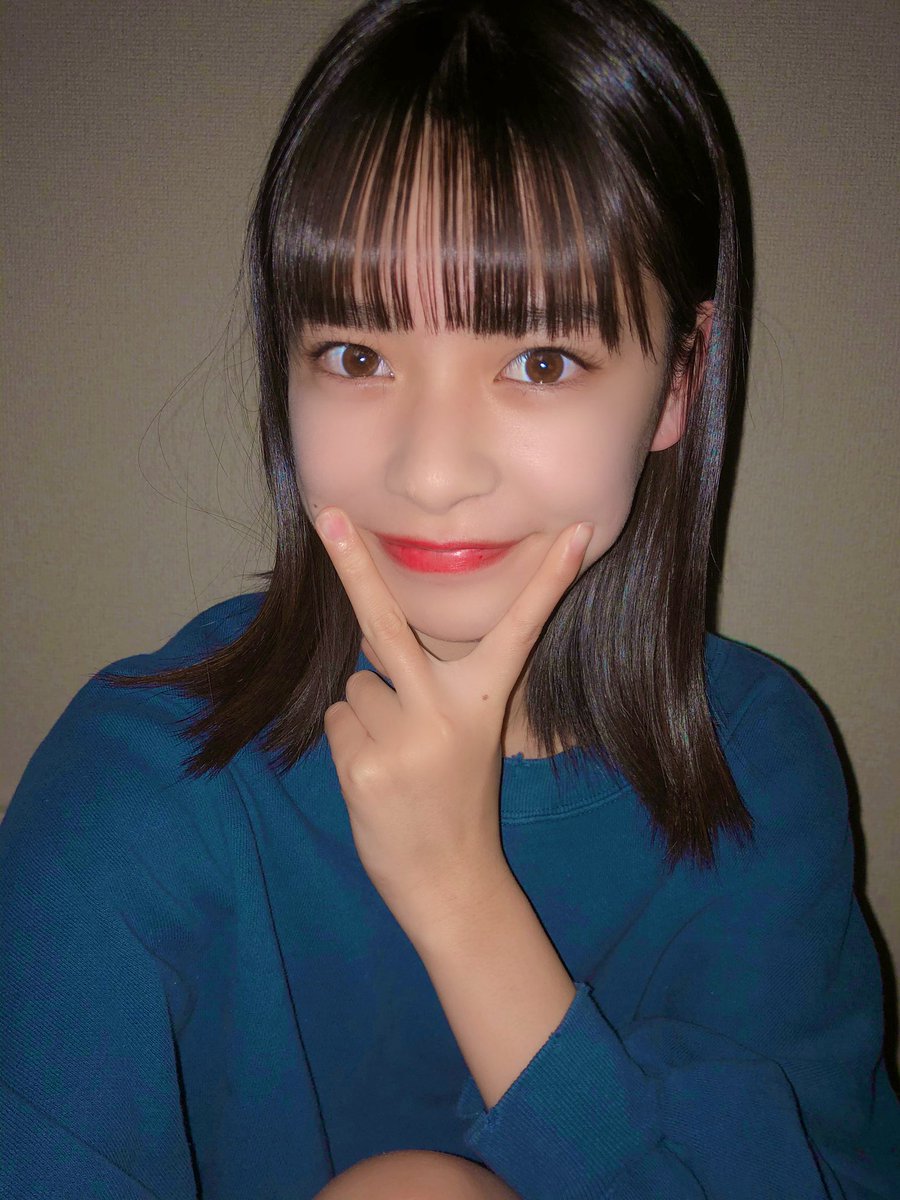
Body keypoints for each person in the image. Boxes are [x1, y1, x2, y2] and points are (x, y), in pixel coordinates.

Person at [2, 0, 898, 1196]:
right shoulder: (137, 782)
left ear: (681, 378)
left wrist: (462, 899)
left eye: (539, 361)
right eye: (356, 356)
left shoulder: (758, 764)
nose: (430, 473)